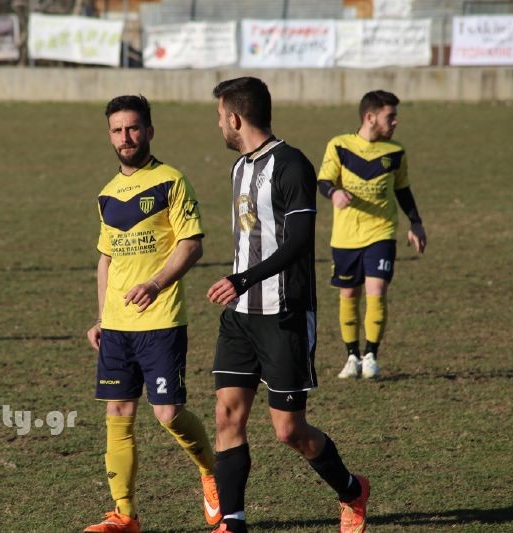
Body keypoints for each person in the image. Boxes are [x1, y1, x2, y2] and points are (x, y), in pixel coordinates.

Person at [206, 77, 369, 533]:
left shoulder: (292, 164)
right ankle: (232, 522)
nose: (218, 125)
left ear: (235, 118)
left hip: (284, 314)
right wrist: (239, 284)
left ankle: (352, 490)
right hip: (240, 317)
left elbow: (298, 242)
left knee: (289, 431)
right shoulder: (239, 168)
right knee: (227, 414)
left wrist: (242, 278)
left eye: (219, 117)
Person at [83, 95, 221, 533]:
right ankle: (124, 514)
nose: (125, 137)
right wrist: (102, 317)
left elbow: (191, 245)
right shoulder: (106, 194)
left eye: (133, 128)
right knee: (118, 414)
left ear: (149, 131)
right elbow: (106, 259)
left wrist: (156, 284)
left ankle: (212, 471)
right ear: (110, 136)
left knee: (168, 414)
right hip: (117, 327)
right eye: (117, 130)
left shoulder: (170, 181)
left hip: (161, 321)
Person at [317, 90, 426, 379]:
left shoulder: (395, 152)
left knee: (376, 291)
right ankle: (351, 356)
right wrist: (334, 192)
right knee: (349, 294)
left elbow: (403, 189)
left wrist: (415, 223)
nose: (395, 122)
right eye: (390, 117)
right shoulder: (340, 145)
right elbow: (323, 180)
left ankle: (371, 355)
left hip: (382, 232)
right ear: (370, 117)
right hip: (345, 236)